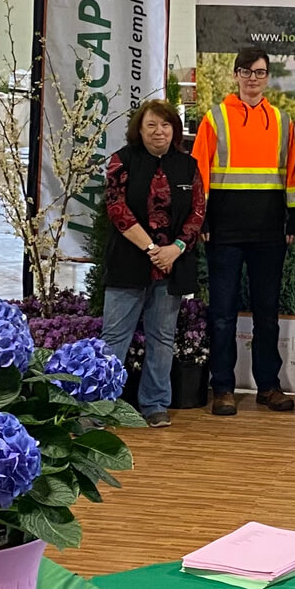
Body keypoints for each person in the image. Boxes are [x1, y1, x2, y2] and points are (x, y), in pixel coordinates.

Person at [191, 47, 295, 417]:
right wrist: (200, 218)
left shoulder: (282, 121)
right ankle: (222, 387)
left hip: (269, 232)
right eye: (246, 72)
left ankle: (268, 387)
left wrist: (294, 218)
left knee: (267, 314)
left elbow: (291, 176)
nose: (253, 78)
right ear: (236, 75)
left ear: (267, 76)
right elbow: (198, 174)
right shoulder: (215, 118)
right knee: (222, 313)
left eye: (260, 72)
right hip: (223, 232)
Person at [101, 99, 205, 428]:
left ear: (174, 129)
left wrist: (175, 248)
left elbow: (198, 211)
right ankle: (100, 407)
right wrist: (151, 248)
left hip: (173, 264)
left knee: (162, 337)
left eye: (165, 125)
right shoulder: (122, 161)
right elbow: (117, 210)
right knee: (114, 338)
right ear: (139, 129)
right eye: (151, 125)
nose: (159, 131)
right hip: (129, 262)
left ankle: (155, 403)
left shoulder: (188, 166)